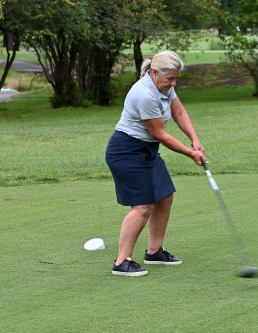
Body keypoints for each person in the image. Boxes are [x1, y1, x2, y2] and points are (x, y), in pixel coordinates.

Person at [105, 50, 205, 276]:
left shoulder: (164, 85)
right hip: (126, 152)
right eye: (170, 79)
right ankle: (122, 261)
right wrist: (191, 154)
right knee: (142, 206)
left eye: (176, 78)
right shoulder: (144, 94)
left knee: (164, 195)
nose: (173, 83)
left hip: (146, 150)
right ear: (153, 72)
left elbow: (178, 111)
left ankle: (154, 251)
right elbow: (159, 134)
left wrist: (195, 139)